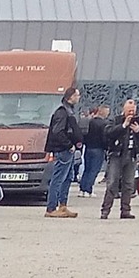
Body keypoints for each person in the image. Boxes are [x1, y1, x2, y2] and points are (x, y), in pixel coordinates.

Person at [99, 98, 139, 220]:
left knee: (128, 184)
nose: (131, 112)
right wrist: (124, 125)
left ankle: (125, 210)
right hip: (117, 155)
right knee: (112, 183)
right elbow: (108, 132)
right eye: (129, 109)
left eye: (133, 109)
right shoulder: (116, 120)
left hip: (131, 155)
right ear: (124, 109)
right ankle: (105, 210)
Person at [44, 85, 83, 218]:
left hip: (68, 150)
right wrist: (68, 145)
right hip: (63, 150)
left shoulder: (68, 110)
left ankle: (63, 205)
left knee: (68, 177)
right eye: (77, 95)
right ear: (71, 97)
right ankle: (51, 208)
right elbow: (57, 131)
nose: (79, 97)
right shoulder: (62, 112)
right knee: (58, 178)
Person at [79, 105, 108, 194]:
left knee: (87, 169)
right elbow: (104, 138)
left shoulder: (90, 122)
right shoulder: (104, 124)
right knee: (94, 170)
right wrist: (107, 147)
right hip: (98, 149)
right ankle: (88, 189)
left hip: (88, 148)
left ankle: (82, 188)